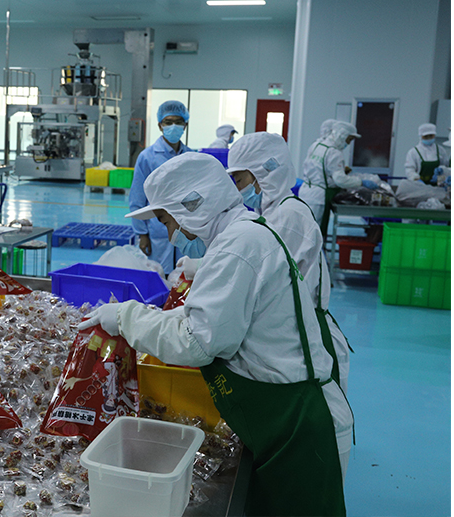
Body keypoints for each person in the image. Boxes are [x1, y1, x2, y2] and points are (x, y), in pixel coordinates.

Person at [81, 153, 353, 516]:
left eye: (167, 221)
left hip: (299, 428)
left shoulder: (238, 247)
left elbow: (196, 342)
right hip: (284, 417)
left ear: (192, 206)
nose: (170, 235)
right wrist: (146, 316)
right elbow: (211, 316)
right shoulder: (242, 234)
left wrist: (126, 316)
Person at [227, 131, 351, 394]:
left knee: (314, 405)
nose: (238, 189)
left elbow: (267, 280)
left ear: (263, 173)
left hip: (305, 335)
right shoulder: (272, 211)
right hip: (293, 328)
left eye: (239, 180)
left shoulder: (288, 216)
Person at [129, 100, 194, 274]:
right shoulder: (147, 157)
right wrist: (142, 234)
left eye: (178, 122)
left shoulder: (191, 156)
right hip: (157, 230)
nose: (173, 126)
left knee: (183, 276)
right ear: (160, 125)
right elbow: (137, 199)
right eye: (168, 122)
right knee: (158, 275)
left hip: (187, 228)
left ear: (185, 125)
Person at [300, 121, 371, 237]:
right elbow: (340, 180)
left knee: (304, 230)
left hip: (305, 192)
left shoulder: (316, 145)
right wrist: (361, 182)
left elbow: (314, 167)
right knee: (314, 234)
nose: (348, 143)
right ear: (342, 135)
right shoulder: (334, 153)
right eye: (349, 139)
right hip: (319, 197)